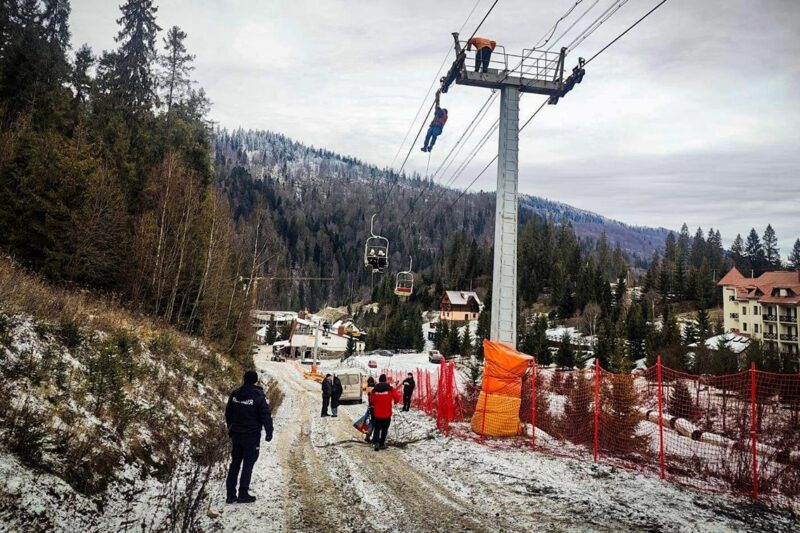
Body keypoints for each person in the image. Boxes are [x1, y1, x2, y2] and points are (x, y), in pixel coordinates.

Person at [225, 370, 273, 504]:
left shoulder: (235, 394)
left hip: (237, 434)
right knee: (248, 463)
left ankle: (230, 495)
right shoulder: (258, 396)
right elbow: (265, 415)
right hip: (251, 436)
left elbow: (228, 413)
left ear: (244, 379)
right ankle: (243, 494)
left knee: (235, 463)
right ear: (255, 381)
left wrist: (231, 428)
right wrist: (269, 431)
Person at [368, 374, 402, 451]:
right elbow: (397, 398)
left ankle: (376, 443)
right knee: (384, 429)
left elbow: (371, 401)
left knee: (377, 428)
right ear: (385, 380)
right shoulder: (390, 388)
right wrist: (395, 401)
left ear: (379, 380)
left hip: (377, 413)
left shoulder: (375, 390)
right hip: (387, 413)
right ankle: (382, 444)